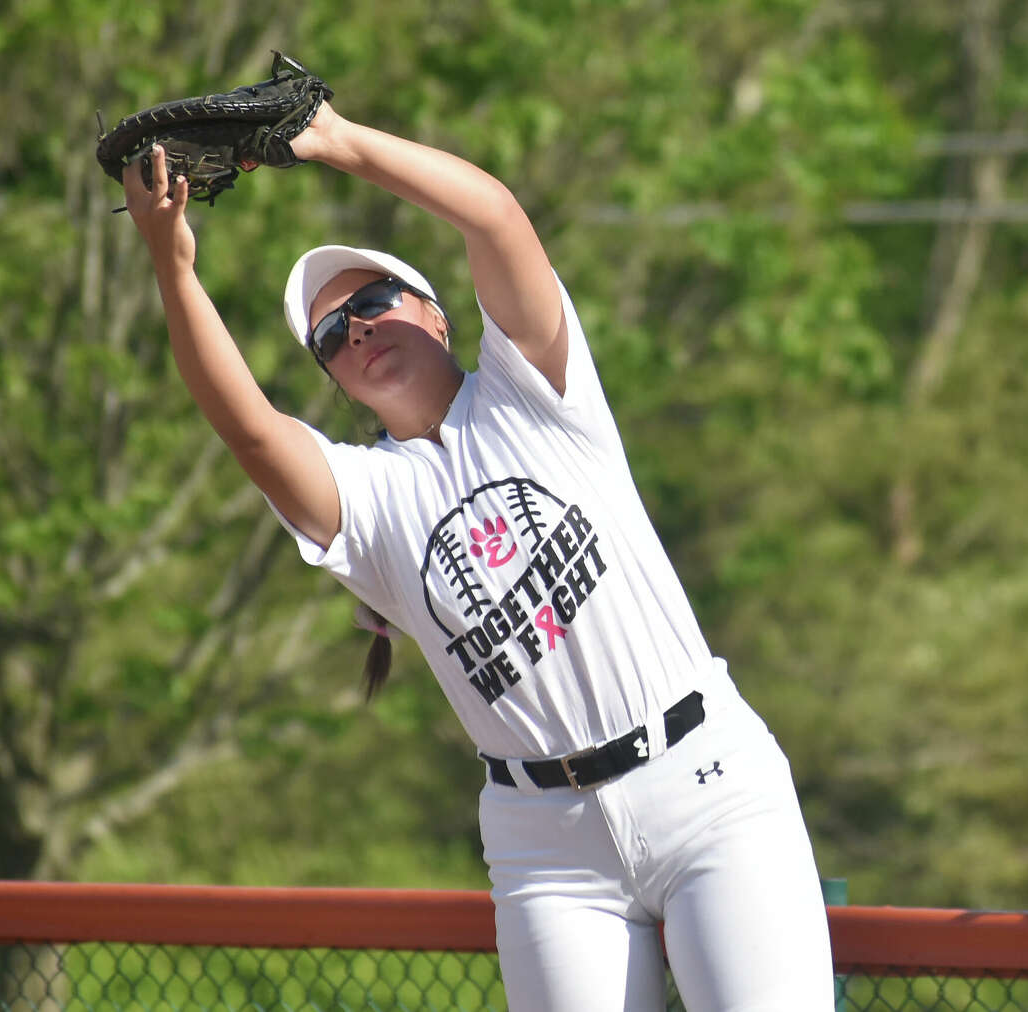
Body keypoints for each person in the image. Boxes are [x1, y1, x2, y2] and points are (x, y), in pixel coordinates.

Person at [121, 91, 835, 1011]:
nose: (360, 330)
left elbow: (493, 214)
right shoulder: (369, 503)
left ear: (438, 314)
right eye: (333, 336)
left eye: (374, 302)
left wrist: (338, 142)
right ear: (334, 378)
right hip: (547, 843)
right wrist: (174, 272)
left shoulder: (532, 391)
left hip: (703, 785)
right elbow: (253, 434)